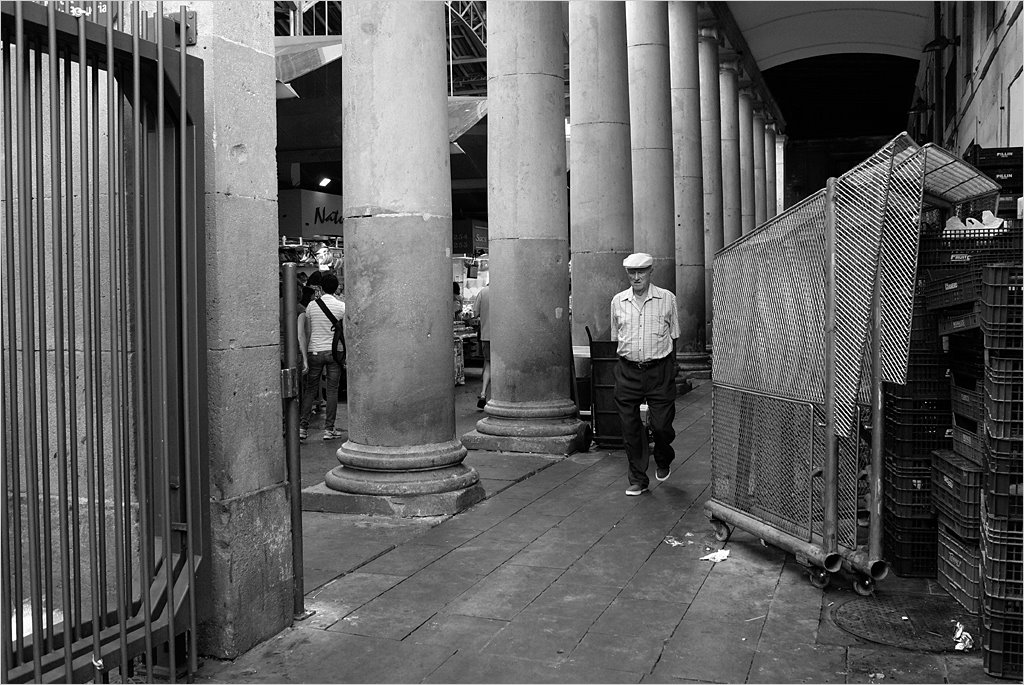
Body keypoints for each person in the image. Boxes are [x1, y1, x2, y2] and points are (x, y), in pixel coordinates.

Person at [610, 252, 679, 496]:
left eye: (641, 272)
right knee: (630, 426)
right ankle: (638, 478)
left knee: (662, 426)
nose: (636, 277)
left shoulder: (667, 299)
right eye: (632, 273)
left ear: (651, 272)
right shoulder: (618, 301)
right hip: (628, 370)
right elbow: (615, 336)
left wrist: (671, 369)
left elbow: (674, 336)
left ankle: (663, 456)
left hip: (659, 370)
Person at [299, 272, 346, 441]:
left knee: (310, 389)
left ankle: (303, 428)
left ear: (321, 287)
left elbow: (308, 330)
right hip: (334, 353)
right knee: (332, 391)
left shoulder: (312, 305)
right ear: (336, 288)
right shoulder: (341, 306)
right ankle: (329, 429)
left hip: (315, 351)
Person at [474, 283, 490, 410]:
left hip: (486, 334)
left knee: (488, 363)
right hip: (505, 336)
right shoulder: (506, 291)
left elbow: (475, 313)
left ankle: (483, 393)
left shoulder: (483, 292)